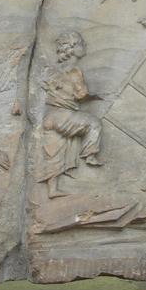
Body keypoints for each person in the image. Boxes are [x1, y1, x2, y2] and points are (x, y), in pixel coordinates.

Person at [38, 31, 103, 198]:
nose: (85, 46)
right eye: (81, 44)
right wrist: (96, 96)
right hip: (64, 115)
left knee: (55, 150)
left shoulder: (53, 70)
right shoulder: (74, 71)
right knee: (94, 123)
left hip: (50, 117)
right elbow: (81, 95)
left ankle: (52, 190)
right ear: (72, 49)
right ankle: (90, 155)